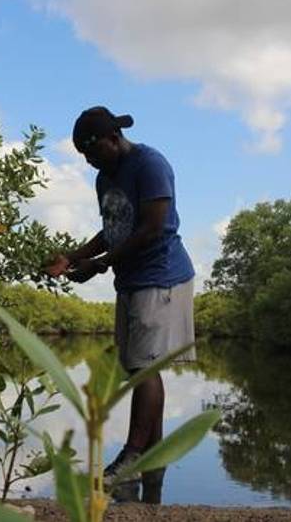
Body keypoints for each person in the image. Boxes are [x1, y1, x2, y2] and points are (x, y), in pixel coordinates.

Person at [45, 106, 195, 502]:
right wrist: (74, 257)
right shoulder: (104, 178)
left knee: (146, 369)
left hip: (162, 275)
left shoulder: (150, 164)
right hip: (129, 279)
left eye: (92, 153)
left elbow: (151, 227)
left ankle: (130, 458)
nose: (89, 162)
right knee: (136, 368)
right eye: (83, 156)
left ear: (113, 139)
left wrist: (98, 266)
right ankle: (152, 463)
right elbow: (112, 230)